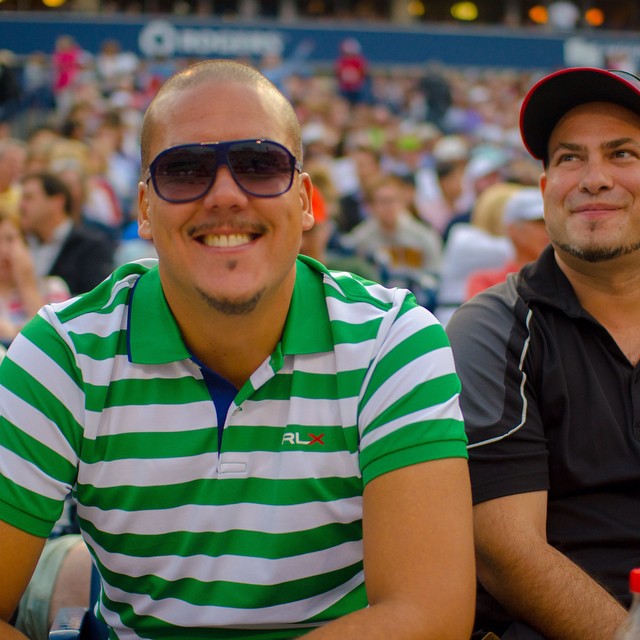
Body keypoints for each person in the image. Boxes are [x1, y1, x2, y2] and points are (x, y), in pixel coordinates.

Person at [0, 59, 475, 640]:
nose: (224, 194)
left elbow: (430, 616)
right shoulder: (63, 355)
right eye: (184, 170)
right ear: (146, 208)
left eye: (259, 164)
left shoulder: (392, 342)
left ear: (304, 199)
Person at [446, 66, 640, 639]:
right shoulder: (492, 327)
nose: (594, 178)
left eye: (622, 154)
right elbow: (507, 552)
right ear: (545, 189)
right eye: (570, 158)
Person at [19, 171, 115, 295]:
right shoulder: (20, 243)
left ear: (57, 201)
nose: (21, 205)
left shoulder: (91, 245)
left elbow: (98, 300)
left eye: (29, 198)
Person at [0, 206, 69, 346]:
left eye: (10, 239)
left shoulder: (53, 288)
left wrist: (27, 286)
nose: (3, 250)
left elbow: (55, 342)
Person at [465, 186, 548, 299]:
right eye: (539, 222)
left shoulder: (566, 280)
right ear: (513, 229)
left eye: (549, 222)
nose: (547, 230)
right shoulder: (485, 282)